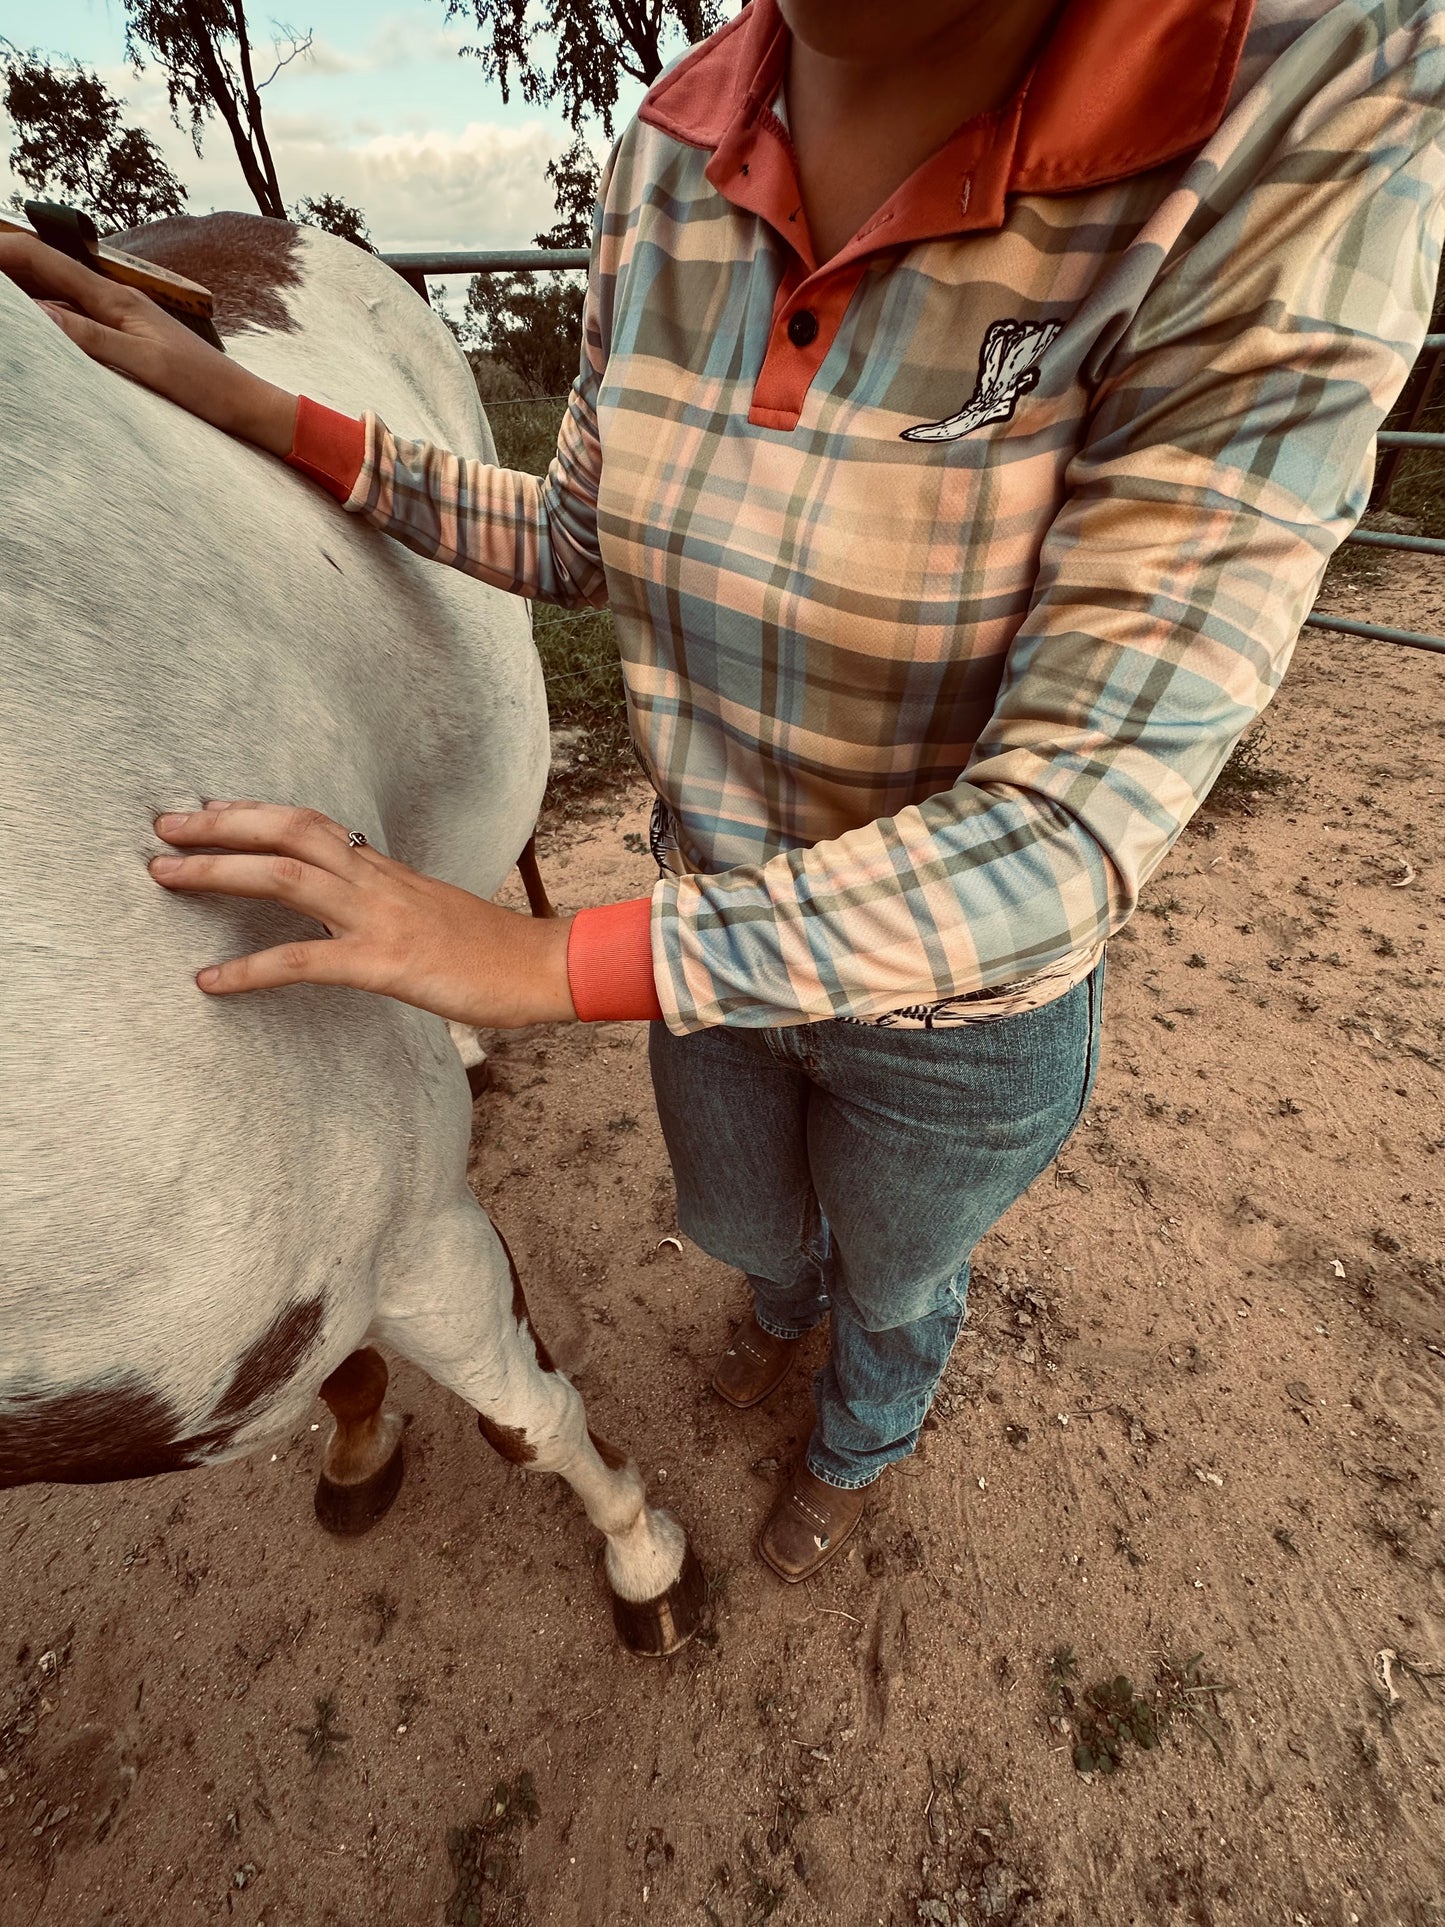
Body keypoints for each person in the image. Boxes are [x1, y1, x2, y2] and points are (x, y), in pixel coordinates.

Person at [5, 0, 1442, 1583]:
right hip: (705, 932)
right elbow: (575, 535)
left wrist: (545, 961)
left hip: (955, 1017)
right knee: (757, 1236)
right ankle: (783, 1325)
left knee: (901, 1281)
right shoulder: (676, 141)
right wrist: (256, 409)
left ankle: (862, 1433)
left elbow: (1070, 826)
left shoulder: (1310, 102)